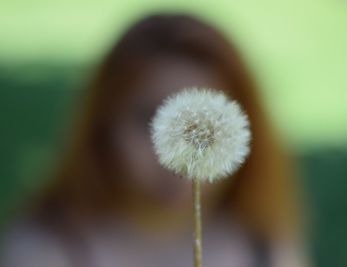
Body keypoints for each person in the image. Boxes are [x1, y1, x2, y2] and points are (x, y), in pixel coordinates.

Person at [0, 14, 309, 267]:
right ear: (103, 124)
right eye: (149, 118)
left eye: (206, 126)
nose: (183, 152)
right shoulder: (40, 252)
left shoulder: (266, 251)